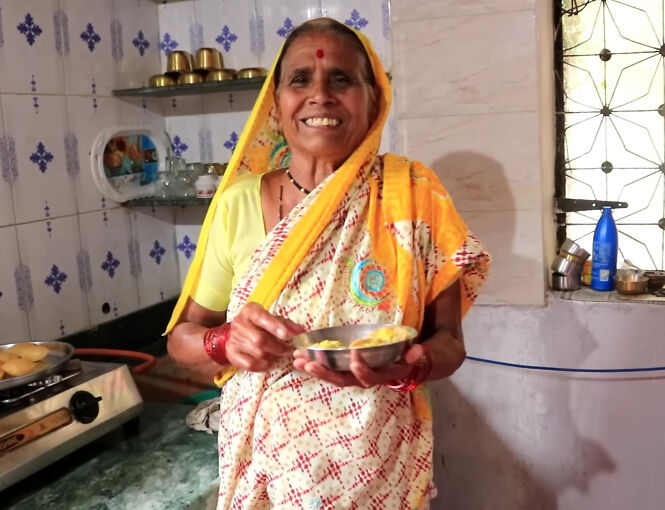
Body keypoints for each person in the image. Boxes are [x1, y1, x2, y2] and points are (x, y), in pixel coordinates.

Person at [166, 17, 490, 510]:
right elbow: (182, 342)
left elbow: (449, 344)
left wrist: (407, 365)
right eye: (301, 79)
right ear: (276, 106)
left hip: (378, 466)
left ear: (373, 99)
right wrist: (224, 341)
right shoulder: (237, 203)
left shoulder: (412, 194)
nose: (321, 94)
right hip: (265, 470)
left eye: (342, 78)